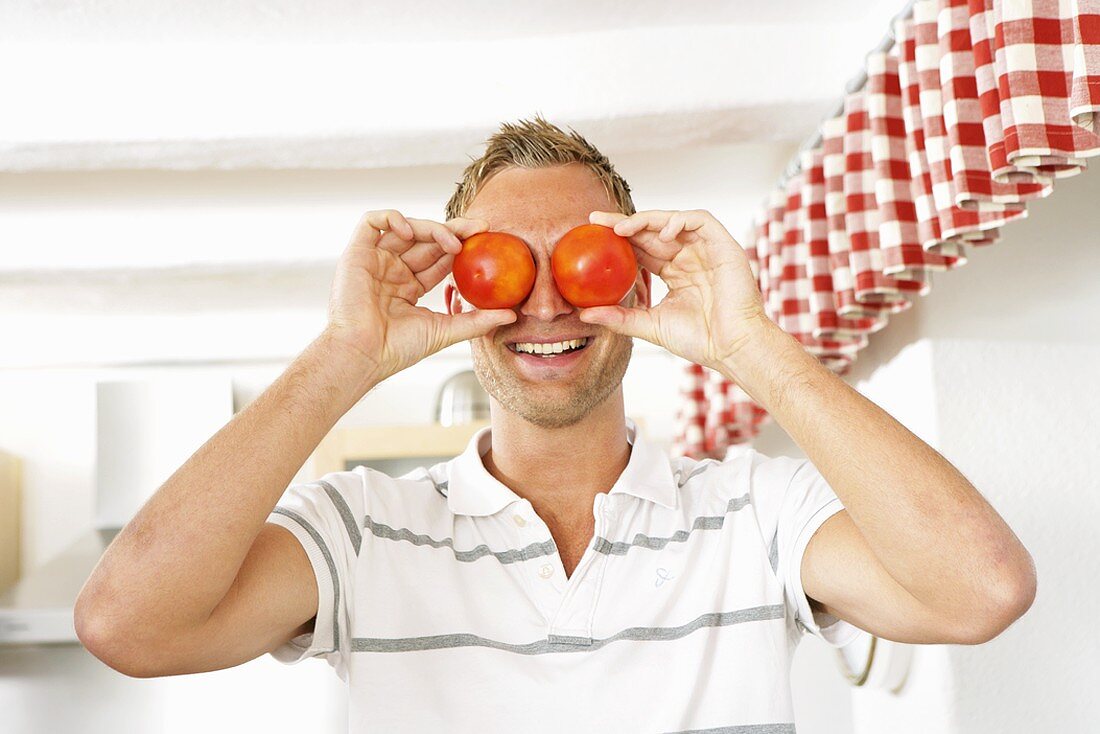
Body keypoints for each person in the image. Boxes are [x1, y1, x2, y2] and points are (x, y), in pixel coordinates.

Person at [74, 117, 1036, 733]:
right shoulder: (361, 529)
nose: (543, 307)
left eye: (580, 264)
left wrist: (749, 344)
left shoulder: (756, 508)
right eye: (503, 268)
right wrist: (344, 354)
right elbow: (126, 626)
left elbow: (980, 590)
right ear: (456, 288)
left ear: (639, 282)